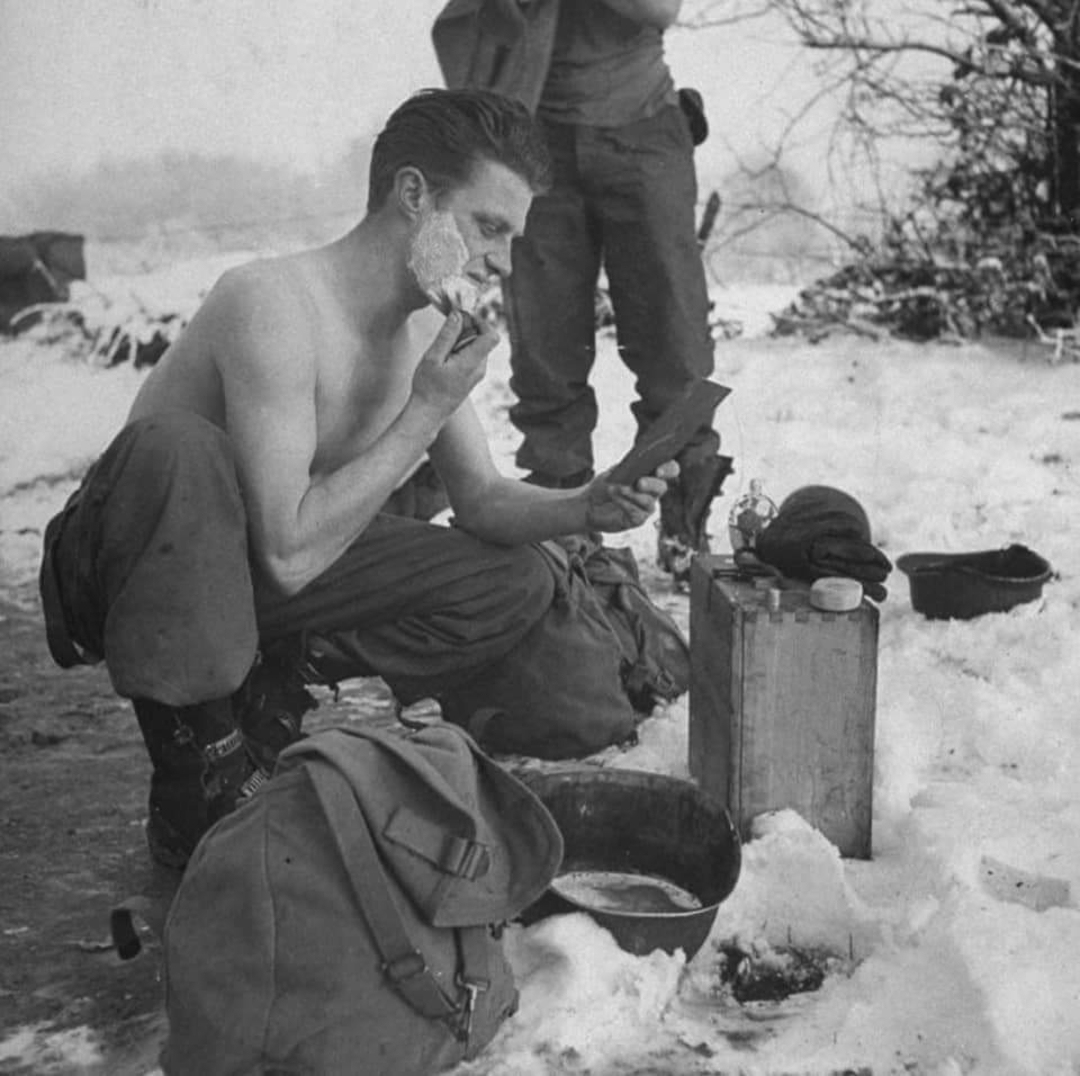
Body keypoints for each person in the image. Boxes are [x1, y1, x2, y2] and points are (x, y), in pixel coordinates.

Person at [38, 89, 680, 869]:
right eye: (489, 226)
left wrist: (588, 502)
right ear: (414, 196)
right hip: (137, 572)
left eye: (512, 237)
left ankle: (266, 693)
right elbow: (284, 552)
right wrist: (423, 411)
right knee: (181, 451)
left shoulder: (422, 331)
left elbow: (480, 501)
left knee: (511, 581)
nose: (503, 262)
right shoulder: (272, 302)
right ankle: (193, 771)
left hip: (259, 572)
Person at [432, 0, 733, 583]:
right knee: (545, 357)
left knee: (676, 351)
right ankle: (563, 535)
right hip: (534, 138)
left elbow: (661, 7)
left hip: (643, 133)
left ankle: (684, 531)